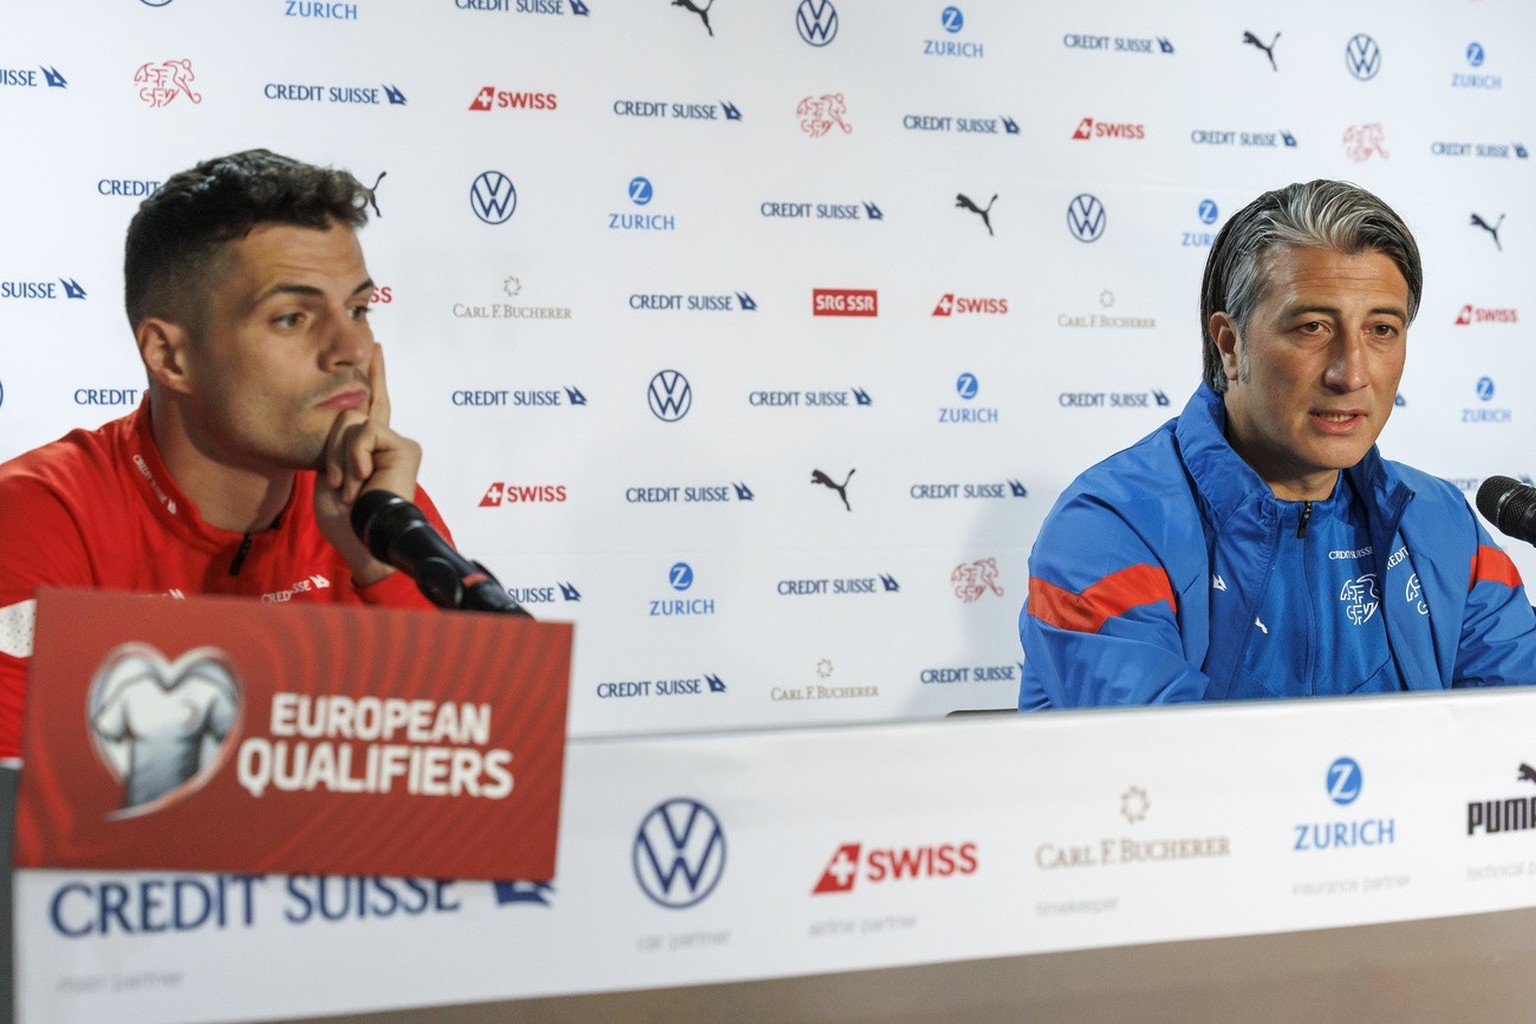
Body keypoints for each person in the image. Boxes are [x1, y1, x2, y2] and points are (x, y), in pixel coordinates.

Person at [0, 149, 451, 759]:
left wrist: (380, 565)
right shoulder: (39, 515)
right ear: (170, 356)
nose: (350, 348)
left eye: (358, 309)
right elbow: (22, 826)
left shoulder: (378, 509)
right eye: (293, 318)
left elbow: (477, 775)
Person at [1019, 179, 1536, 709]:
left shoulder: (1444, 525)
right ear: (1230, 345)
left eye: (1382, 329)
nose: (1350, 373)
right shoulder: (1110, 527)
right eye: (1313, 327)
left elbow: (1517, 733)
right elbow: (1164, 771)